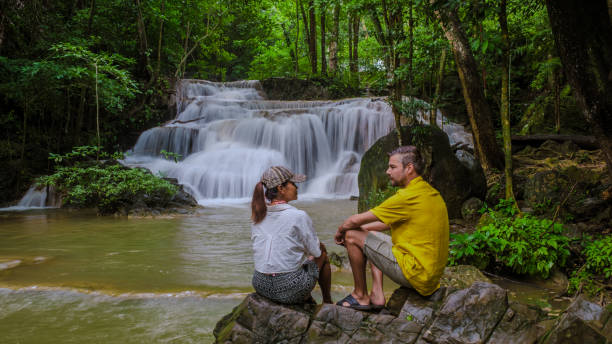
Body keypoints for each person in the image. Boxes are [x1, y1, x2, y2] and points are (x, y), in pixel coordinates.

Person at [334, 146, 449, 310]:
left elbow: (353, 222)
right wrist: (363, 232)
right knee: (369, 234)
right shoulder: (427, 192)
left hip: (415, 274)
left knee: (352, 234)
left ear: (409, 168)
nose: (388, 171)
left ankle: (360, 295)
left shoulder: (406, 197)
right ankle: (377, 294)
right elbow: (386, 223)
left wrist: (342, 232)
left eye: (393, 167)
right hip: (429, 276)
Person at [250, 166, 332, 304]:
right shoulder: (298, 216)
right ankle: (327, 302)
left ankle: (308, 299)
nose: (297, 187)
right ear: (281, 188)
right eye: (293, 184)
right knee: (322, 251)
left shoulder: (257, 217)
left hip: (260, 285)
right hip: (290, 288)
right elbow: (315, 252)